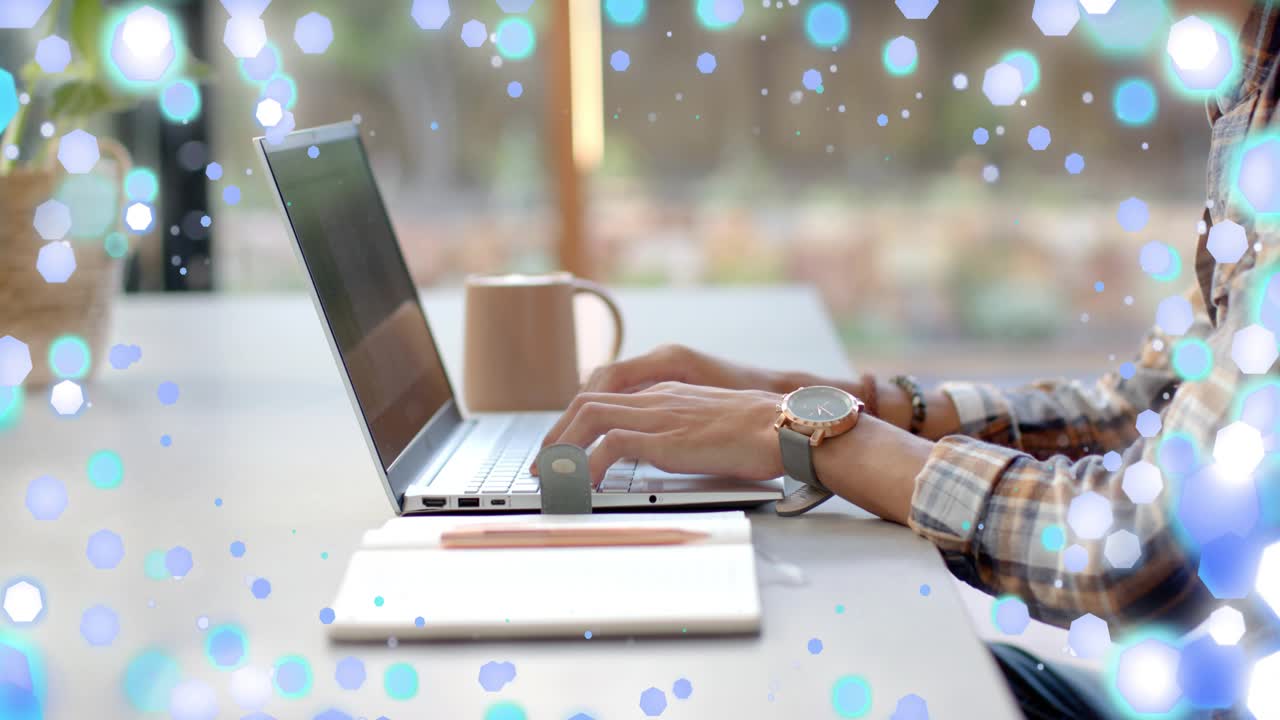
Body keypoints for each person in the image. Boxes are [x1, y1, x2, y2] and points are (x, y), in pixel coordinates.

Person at [536, 4, 1280, 718]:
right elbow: (1137, 411)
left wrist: (815, 438)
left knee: (830, 672)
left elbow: (1147, 549)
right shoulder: (1250, 83)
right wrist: (827, 398)